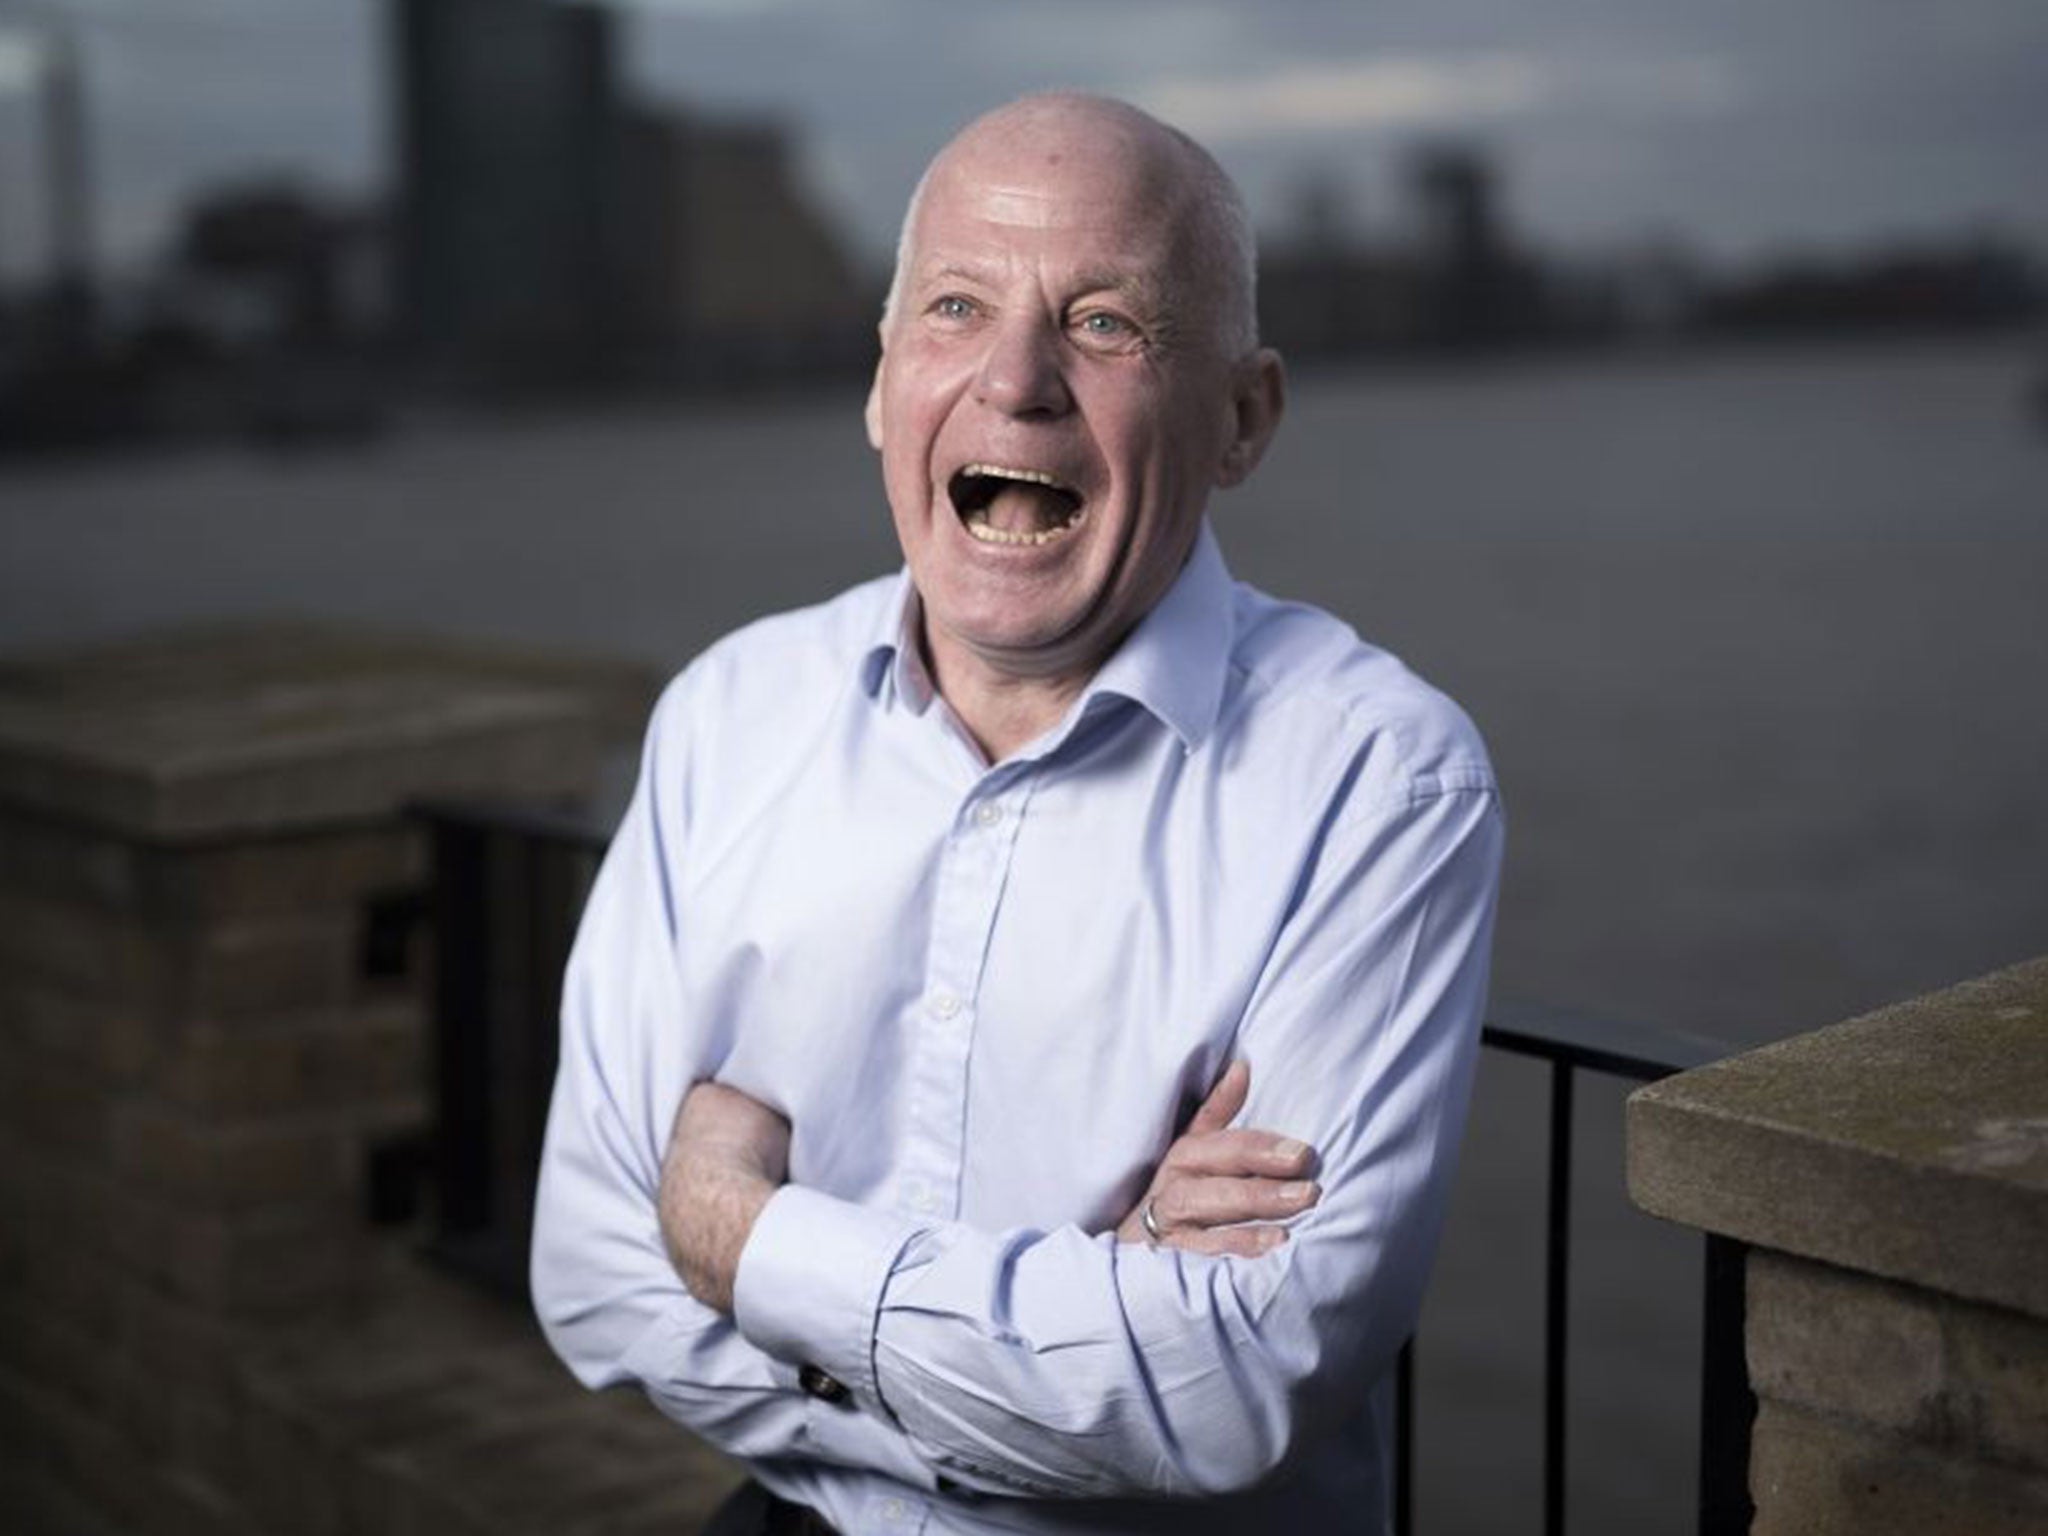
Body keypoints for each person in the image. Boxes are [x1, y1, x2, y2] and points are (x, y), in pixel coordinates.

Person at [532, 93, 1503, 1535]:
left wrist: (737, 1233)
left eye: (1105, 322)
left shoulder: (1380, 781)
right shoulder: (729, 720)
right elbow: (598, 1280)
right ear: (880, 389)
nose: (1018, 381)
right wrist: (1087, 1328)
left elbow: (1235, 1386)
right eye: (956, 308)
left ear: (1242, 418)